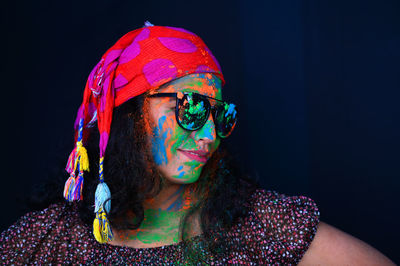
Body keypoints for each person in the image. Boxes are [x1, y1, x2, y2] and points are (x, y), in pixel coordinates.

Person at [0, 22, 394, 265]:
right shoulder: (45, 242)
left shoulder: (260, 225)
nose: (210, 135)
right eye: (190, 107)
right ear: (128, 113)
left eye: (221, 116)